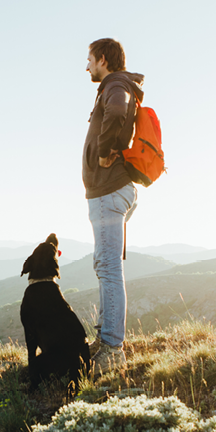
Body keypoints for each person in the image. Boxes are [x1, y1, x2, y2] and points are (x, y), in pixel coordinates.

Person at [82, 38, 143, 378]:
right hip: (107, 191)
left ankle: (112, 348)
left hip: (109, 189)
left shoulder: (116, 85)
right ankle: (105, 338)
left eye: (89, 59)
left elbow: (118, 111)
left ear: (103, 59)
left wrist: (104, 152)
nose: (87, 66)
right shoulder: (115, 85)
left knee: (108, 267)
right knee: (104, 264)